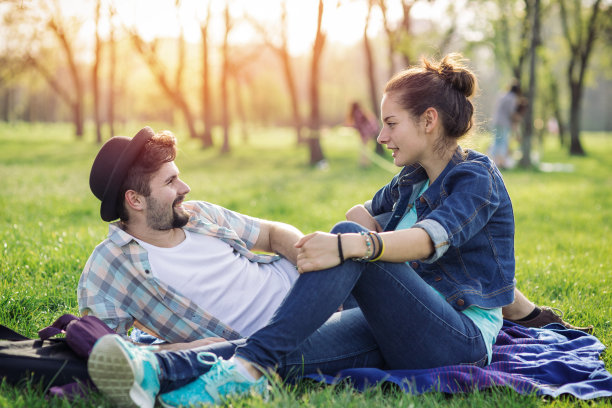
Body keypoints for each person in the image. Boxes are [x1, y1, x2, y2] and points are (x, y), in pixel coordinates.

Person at [86, 54, 588, 408]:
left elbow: (428, 239)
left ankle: (242, 371)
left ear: (429, 121)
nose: (381, 135)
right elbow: (361, 209)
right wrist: (354, 234)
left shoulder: (476, 178)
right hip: (397, 325)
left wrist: (352, 243)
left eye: (391, 124)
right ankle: (156, 372)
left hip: (456, 338)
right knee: (283, 350)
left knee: (348, 242)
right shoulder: (412, 180)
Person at [490, 81, 520, 168]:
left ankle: (492, 161)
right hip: (504, 123)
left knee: (496, 141)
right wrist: (517, 118)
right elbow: (511, 112)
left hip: (496, 121)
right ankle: (501, 162)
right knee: (503, 142)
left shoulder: (502, 95)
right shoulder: (512, 98)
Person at [345, 101, 379, 167]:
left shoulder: (357, 113)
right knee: (365, 148)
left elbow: (359, 124)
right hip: (366, 131)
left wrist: (352, 126)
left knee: (364, 148)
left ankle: (364, 163)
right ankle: (365, 162)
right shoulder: (361, 111)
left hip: (366, 131)